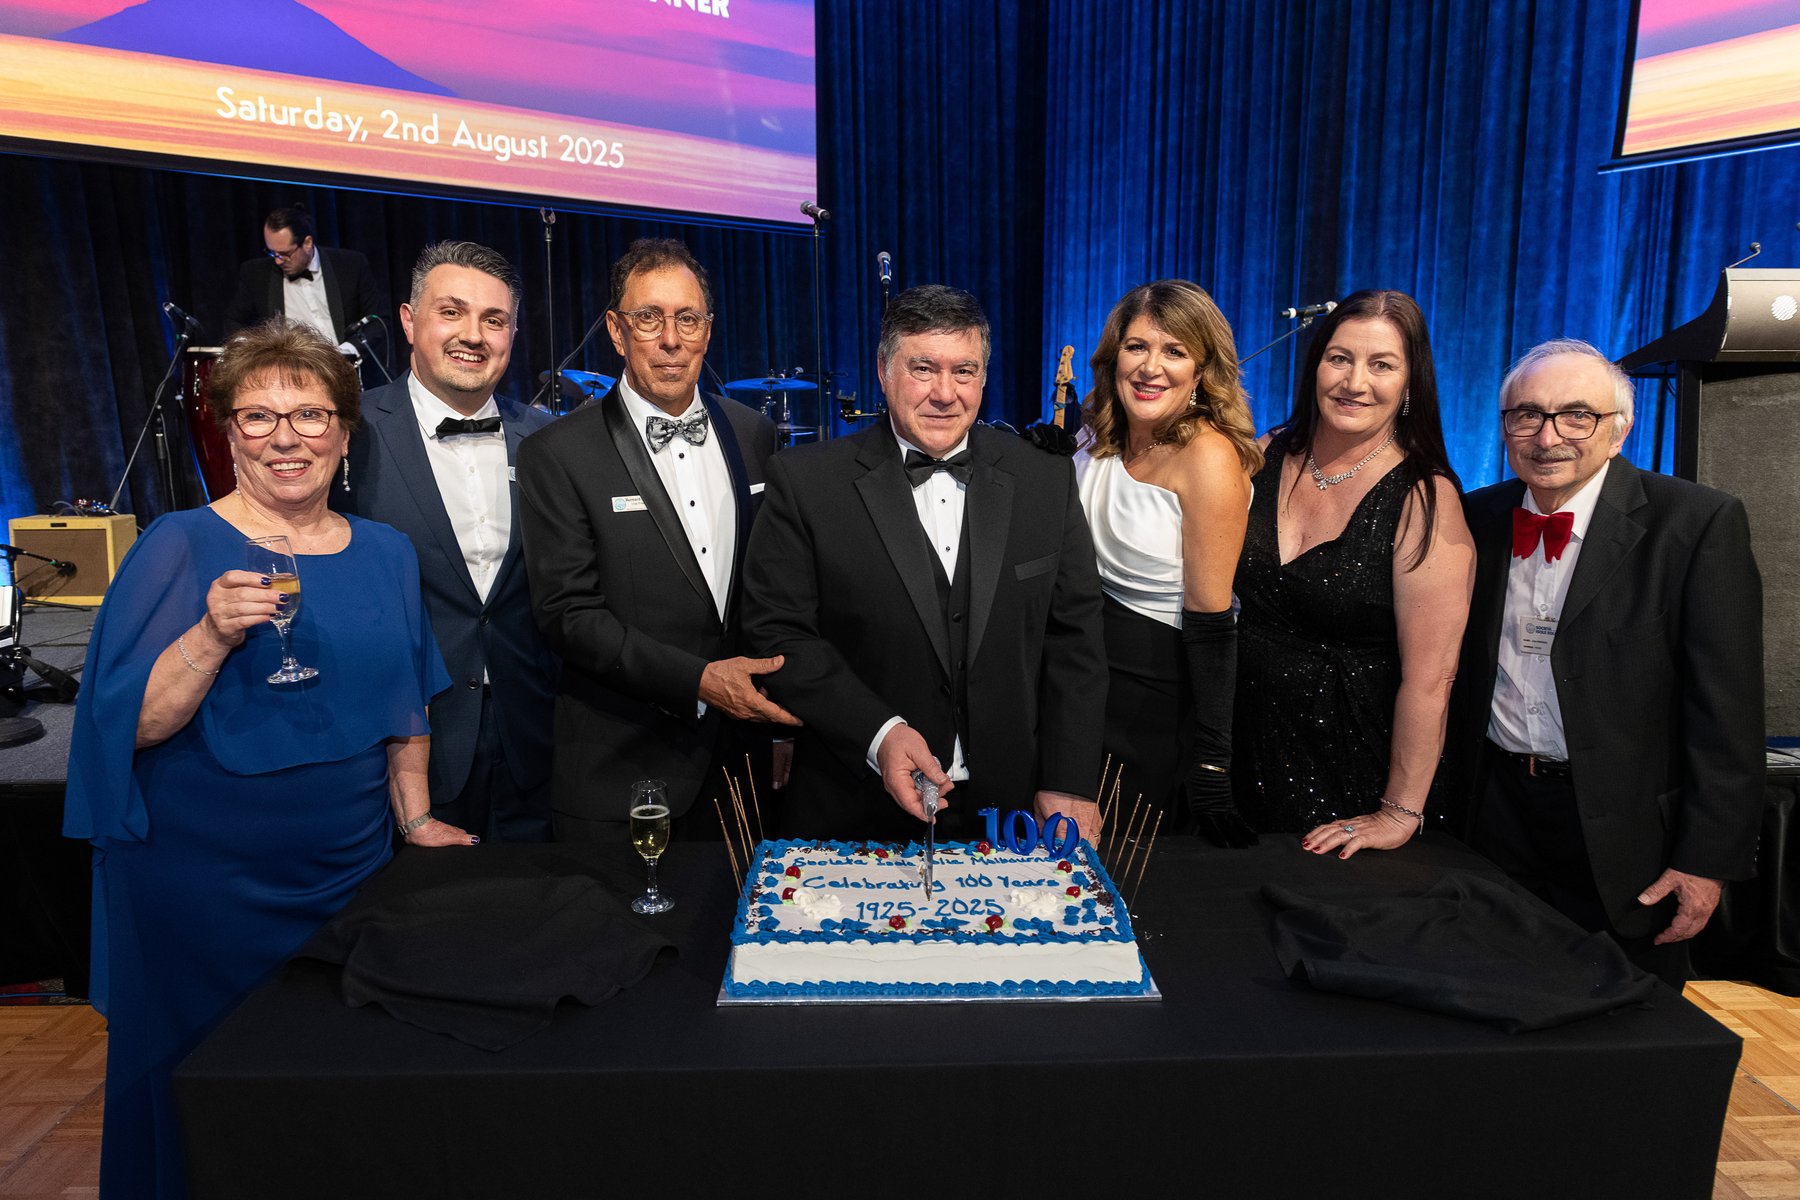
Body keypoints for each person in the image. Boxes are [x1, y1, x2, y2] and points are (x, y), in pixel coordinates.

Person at [62, 319, 472, 1200]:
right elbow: (129, 726)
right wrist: (210, 636)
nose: (287, 438)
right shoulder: (176, 545)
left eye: (311, 415)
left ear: (345, 433)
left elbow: (408, 704)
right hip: (200, 889)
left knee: (330, 1094)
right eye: (258, 417)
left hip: (346, 877)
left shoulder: (386, 552)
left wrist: (416, 819)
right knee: (205, 1091)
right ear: (229, 433)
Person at [741, 284, 1108, 842]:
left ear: (984, 377)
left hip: (1012, 811)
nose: (945, 393)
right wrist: (880, 733)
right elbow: (779, 634)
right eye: (923, 369)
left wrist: (1069, 779)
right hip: (856, 804)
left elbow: (1075, 640)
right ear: (884, 372)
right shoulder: (805, 482)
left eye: (964, 371)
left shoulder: (1045, 479)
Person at [1448, 339, 1763, 985]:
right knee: (1490, 999)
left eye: (1577, 416)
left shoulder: (1696, 523)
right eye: (1527, 415)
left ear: (1619, 430)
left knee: (1628, 1021)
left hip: (1629, 838)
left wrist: (1707, 860)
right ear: (1505, 426)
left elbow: (1727, 713)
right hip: (1493, 816)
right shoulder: (1473, 518)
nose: (1548, 437)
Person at [516, 238, 786, 839]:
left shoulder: (755, 434)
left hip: (741, 764)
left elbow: (773, 589)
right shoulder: (557, 453)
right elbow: (567, 615)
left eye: (687, 319)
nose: (670, 339)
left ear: (707, 330)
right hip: (622, 771)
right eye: (649, 318)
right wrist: (698, 680)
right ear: (616, 331)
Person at [1232, 289, 1474, 850]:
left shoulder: (1425, 498)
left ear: (1411, 384)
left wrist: (1398, 812)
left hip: (1349, 767)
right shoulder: (1267, 453)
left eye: (1382, 365)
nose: (1354, 382)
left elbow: (1432, 680)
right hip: (1238, 746)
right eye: (1339, 358)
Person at [338, 240, 558, 841]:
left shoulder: (549, 440)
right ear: (410, 322)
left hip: (535, 742)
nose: (473, 335)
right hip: (405, 744)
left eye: (494, 319)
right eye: (452, 312)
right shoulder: (347, 432)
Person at [1074, 280, 1262, 845]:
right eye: (1137, 346)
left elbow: (1213, 622)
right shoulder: (1100, 429)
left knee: (1126, 865)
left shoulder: (1207, 456)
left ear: (1201, 371)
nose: (1150, 367)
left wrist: (1212, 764)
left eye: (1174, 351)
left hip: (1152, 698)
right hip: (1079, 681)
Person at [223, 202, 382, 346]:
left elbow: (378, 320)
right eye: (272, 253)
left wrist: (350, 350)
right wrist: (250, 350)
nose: (277, 261)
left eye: (285, 254)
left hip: (345, 362)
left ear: (307, 243)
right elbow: (233, 320)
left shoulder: (350, 265)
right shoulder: (256, 274)